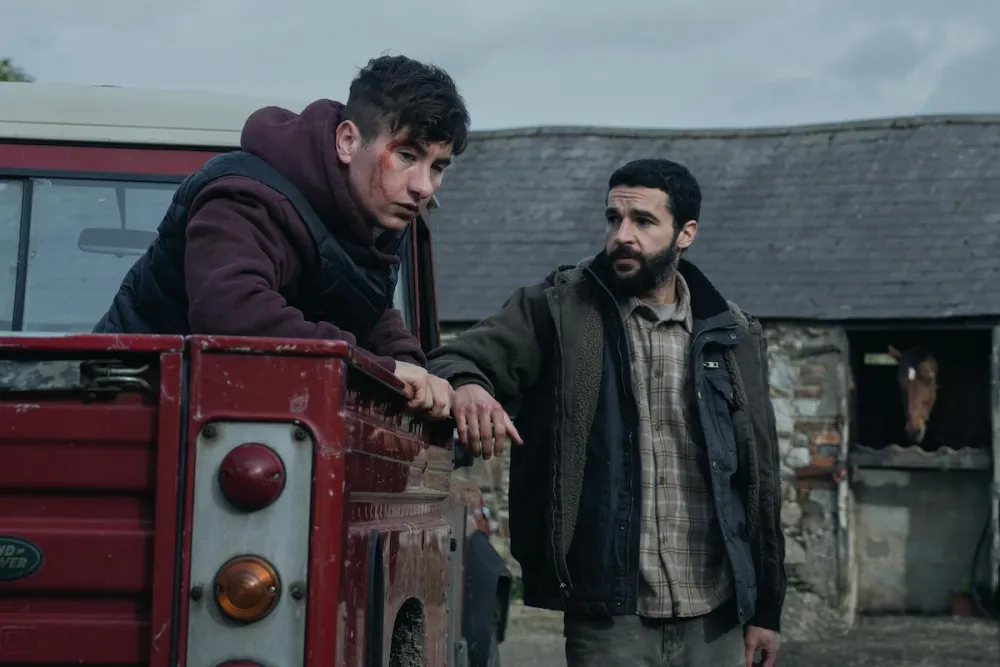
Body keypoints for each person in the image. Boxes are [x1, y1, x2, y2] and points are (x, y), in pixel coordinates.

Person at [427, 159, 785, 666]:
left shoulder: (734, 336)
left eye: (642, 221)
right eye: (613, 219)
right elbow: (454, 358)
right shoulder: (558, 310)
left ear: (685, 234)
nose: (622, 235)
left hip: (717, 616)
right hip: (610, 617)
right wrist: (469, 387)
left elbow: (759, 479)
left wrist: (766, 610)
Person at [94, 54, 466, 417]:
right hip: (119, 406)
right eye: (406, 156)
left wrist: (414, 371)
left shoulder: (371, 214)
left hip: (209, 411)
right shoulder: (245, 199)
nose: (423, 186)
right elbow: (231, 312)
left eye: (437, 167)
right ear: (348, 142)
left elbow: (362, 304)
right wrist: (380, 369)